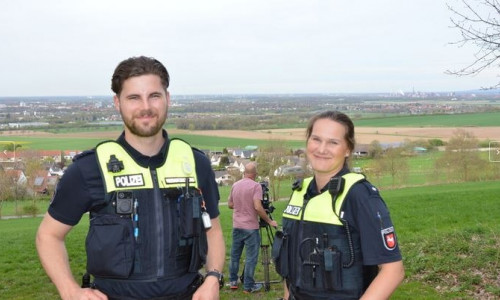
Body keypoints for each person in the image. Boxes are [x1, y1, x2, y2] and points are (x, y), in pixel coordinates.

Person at [36, 56, 225, 300]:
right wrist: (69, 290)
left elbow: (214, 230)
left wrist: (213, 279)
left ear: (167, 98)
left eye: (154, 96)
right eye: (134, 97)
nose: (145, 107)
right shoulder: (90, 169)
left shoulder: (195, 164)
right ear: (117, 103)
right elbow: (48, 235)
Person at [272, 111, 404, 300]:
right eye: (316, 139)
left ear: (348, 149)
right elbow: (292, 273)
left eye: (333, 142)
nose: (322, 149)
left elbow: (393, 271)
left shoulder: (360, 195)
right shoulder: (299, 193)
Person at [227, 162, 278, 293]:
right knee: (251, 258)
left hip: (237, 225)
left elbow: (230, 204)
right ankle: (248, 286)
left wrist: (242, 205)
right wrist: (269, 220)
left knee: (235, 255)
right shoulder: (256, 186)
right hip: (250, 227)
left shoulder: (235, 185)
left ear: (244, 173)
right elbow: (257, 207)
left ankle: (233, 281)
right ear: (254, 174)